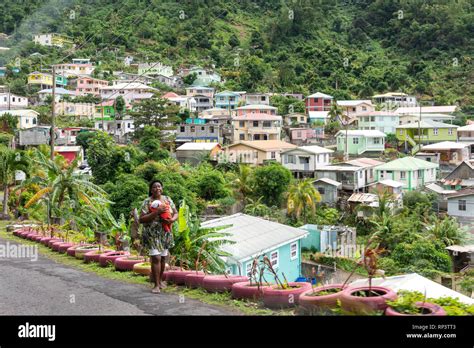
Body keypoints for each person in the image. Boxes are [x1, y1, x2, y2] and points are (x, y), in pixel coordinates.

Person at [139, 180, 178, 294]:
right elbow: (141, 219)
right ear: (151, 190)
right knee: (155, 257)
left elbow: (175, 213)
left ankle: (160, 281)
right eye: (154, 187)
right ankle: (156, 285)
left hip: (165, 232)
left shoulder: (167, 199)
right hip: (152, 233)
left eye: (159, 186)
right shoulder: (147, 202)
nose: (157, 189)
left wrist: (172, 220)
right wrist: (157, 212)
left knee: (162, 258)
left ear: (162, 188)